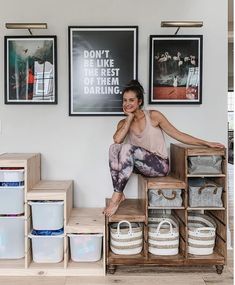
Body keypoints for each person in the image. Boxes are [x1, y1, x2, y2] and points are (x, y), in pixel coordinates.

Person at [103, 80, 224, 217]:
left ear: (140, 101)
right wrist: (129, 118)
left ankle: (116, 196)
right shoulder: (124, 123)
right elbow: (117, 140)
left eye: (131, 100)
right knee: (114, 148)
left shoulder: (153, 116)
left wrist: (206, 143)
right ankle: (119, 192)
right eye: (125, 100)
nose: (127, 103)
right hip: (141, 168)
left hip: (160, 166)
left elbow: (177, 134)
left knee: (127, 148)